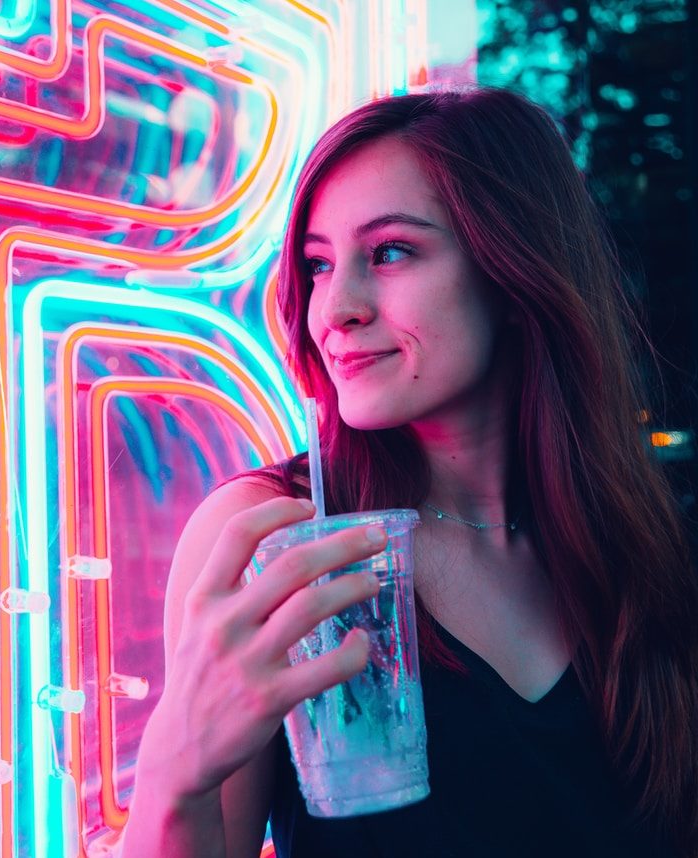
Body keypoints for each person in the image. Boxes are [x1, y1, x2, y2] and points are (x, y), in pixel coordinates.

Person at [122, 88, 698, 858]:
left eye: (390, 251)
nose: (335, 308)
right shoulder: (280, 535)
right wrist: (171, 772)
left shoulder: (634, 544)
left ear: (515, 275)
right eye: (319, 264)